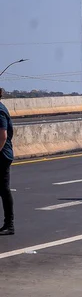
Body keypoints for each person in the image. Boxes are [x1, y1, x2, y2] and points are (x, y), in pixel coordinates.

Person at [0, 87, 14, 235]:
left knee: (4, 189)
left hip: (2, 155)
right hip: (4, 153)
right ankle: (8, 223)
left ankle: (9, 224)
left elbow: (3, 136)